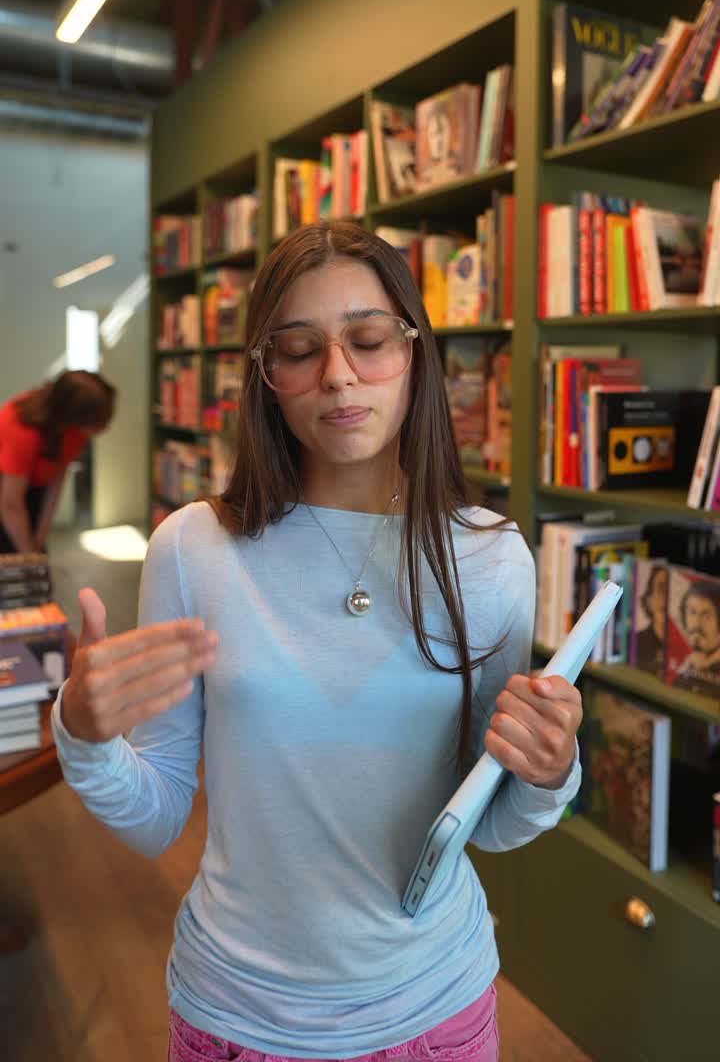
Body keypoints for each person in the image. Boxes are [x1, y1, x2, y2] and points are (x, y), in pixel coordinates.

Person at [51, 223, 582, 1062]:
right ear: (266, 374)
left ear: (415, 350)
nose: (338, 374)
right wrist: (83, 737)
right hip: (236, 1011)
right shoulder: (195, 546)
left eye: (369, 340)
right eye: (299, 350)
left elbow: (489, 825)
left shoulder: (488, 556)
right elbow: (156, 814)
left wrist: (550, 773)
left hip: (436, 1007)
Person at [0, 370, 116, 554]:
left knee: (36, 564)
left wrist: (39, 540)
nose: (106, 428)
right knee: (16, 571)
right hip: (7, 496)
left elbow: (56, 479)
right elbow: (10, 504)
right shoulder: (22, 430)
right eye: (100, 422)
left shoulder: (74, 431)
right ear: (76, 416)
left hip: (26, 496)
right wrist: (30, 555)